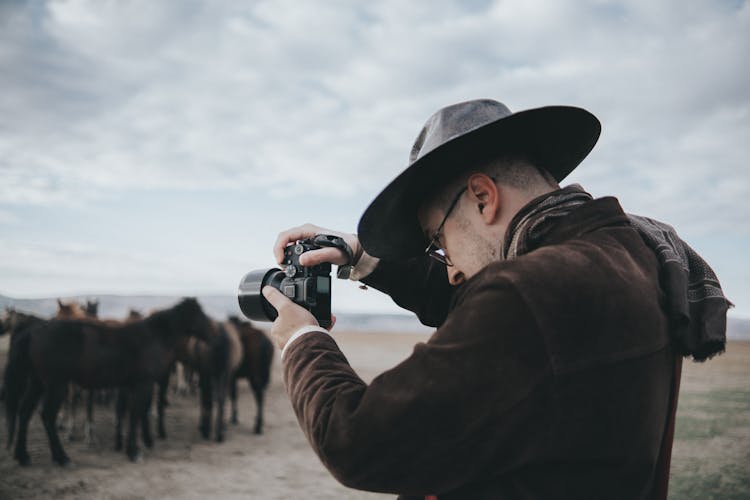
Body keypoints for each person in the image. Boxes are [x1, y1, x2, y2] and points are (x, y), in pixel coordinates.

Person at [262, 99, 730, 499]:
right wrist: (360, 256)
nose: (453, 269)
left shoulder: (530, 294)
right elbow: (475, 305)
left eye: (438, 242)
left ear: (483, 197)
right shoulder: (628, 253)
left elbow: (357, 440)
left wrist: (302, 339)